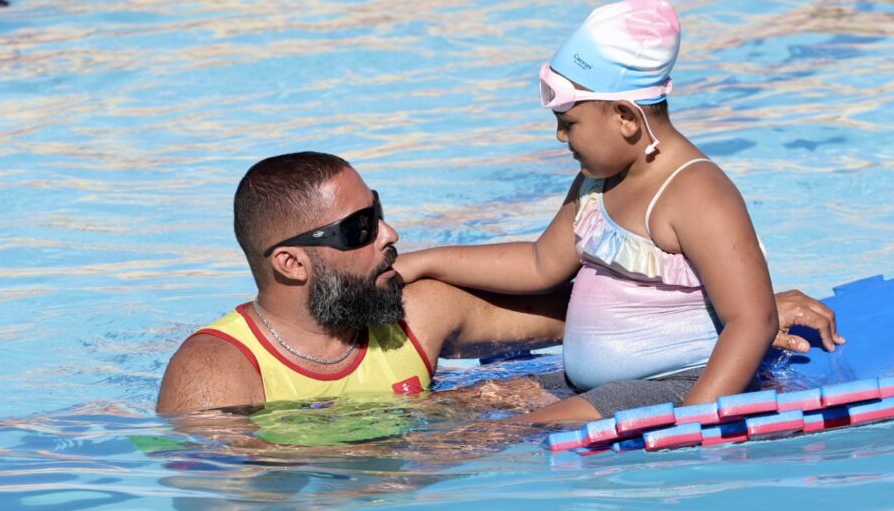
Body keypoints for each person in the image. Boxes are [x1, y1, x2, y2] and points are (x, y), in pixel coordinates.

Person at [156, 151, 842, 417]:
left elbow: (588, 318)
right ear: (291, 262)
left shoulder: (418, 314)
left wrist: (731, 310)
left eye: (380, 208)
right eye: (359, 226)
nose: (390, 232)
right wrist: (436, 427)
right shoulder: (218, 374)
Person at [394, 0, 781, 423]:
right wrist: (423, 262)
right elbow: (541, 263)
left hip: (676, 385)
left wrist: (694, 419)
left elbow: (751, 318)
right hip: (597, 386)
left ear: (625, 117)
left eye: (568, 122)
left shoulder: (698, 194)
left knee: (479, 439)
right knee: (450, 411)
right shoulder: (598, 181)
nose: (561, 137)